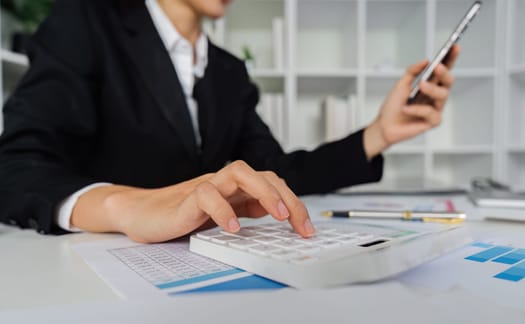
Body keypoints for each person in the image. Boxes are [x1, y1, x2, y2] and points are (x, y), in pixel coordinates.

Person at [0, 0, 459, 243]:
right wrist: (127, 207)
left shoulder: (227, 70)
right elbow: (16, 166)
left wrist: (379, 134)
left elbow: (277, 174)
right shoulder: (86, 21)